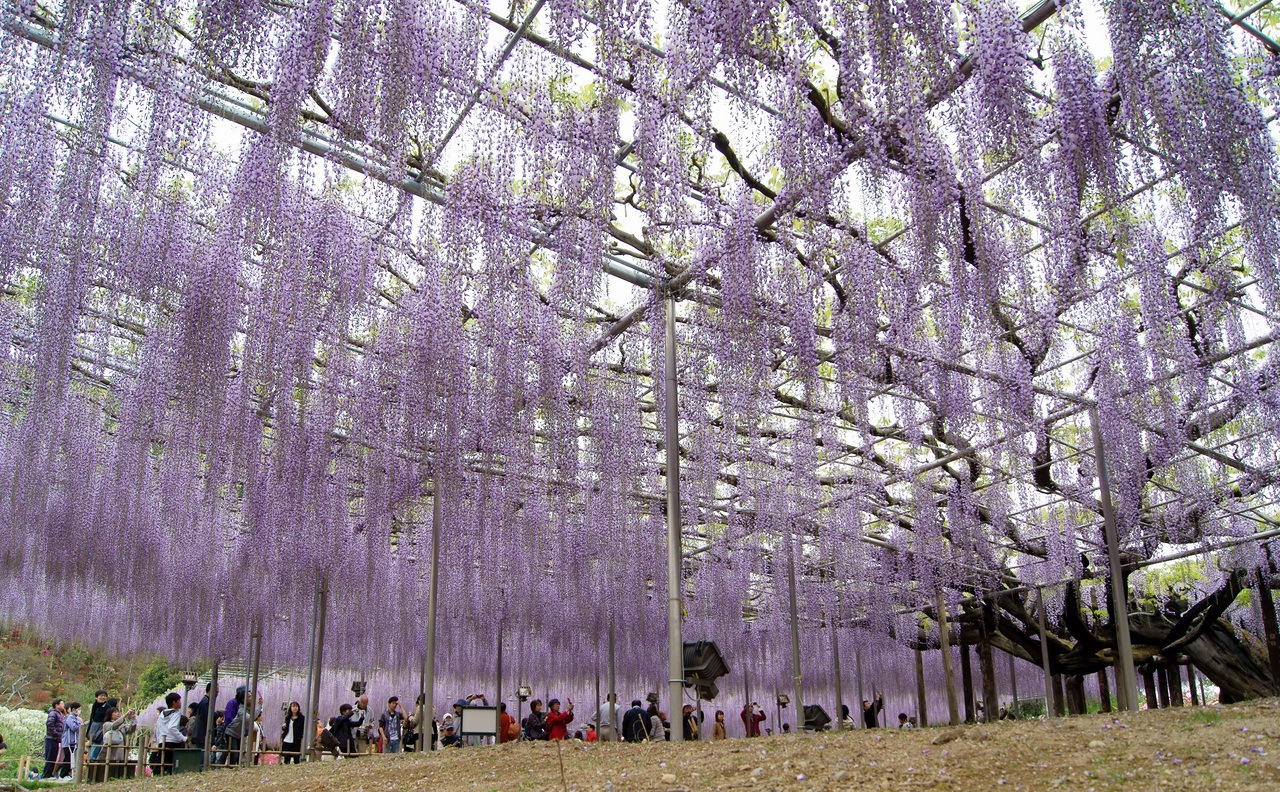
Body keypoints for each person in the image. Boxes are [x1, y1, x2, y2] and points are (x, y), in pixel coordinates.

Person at [100, 706, 137, 780]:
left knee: (119, 764)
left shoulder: (122, 725)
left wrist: (132, 719)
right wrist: (125, 715)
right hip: (110, 750)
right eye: (115, 712)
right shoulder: (107, 724)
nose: (117, 713)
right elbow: (113, 726)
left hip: (121, 749)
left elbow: (131, 730)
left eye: (118, 712)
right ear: (110, 714)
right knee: (109, 764)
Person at [153, 692, 185, 775]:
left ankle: (156, 776)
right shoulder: (176, 713)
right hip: (173, 742)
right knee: (173, 765)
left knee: (161, 762)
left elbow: (158, 729)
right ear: (174, 703)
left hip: (162, 741)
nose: (180, 703)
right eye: (179, 701)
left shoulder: (161, 714)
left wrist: (159, 740)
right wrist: (183, 738)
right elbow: (172, 727)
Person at [41, 698, 66, 778]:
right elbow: (50, 724)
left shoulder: (59, 714)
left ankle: (50, 775)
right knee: (50, 758)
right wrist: (56, 734)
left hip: (56, 739)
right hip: (51, 738)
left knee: (54, 758)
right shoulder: (53, 713)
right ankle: (46, 776)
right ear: (56, 705)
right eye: (61, 704)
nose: (63, 705)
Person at [58, 701, 82, 778]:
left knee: (70, 758)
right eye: (78, 709)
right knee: (68, 758)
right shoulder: (70, 718)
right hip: (69, 741)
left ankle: (67, 774)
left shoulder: (74, 718)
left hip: (73, 741)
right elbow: (74, 727)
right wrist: (82, 725)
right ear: (73, 709)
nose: (79, 711)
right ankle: (63, 775)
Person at [87, 690, 110, 761]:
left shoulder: (107, 707)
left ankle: (93, 764)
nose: (102, 697)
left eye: (104, 696)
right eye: (101, 696)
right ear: (96, 697)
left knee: (96, 750)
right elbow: (91, 718)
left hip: (101, 729)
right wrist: (87, 732)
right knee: (91, 748)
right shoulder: (95, 705)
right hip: (93, 728)